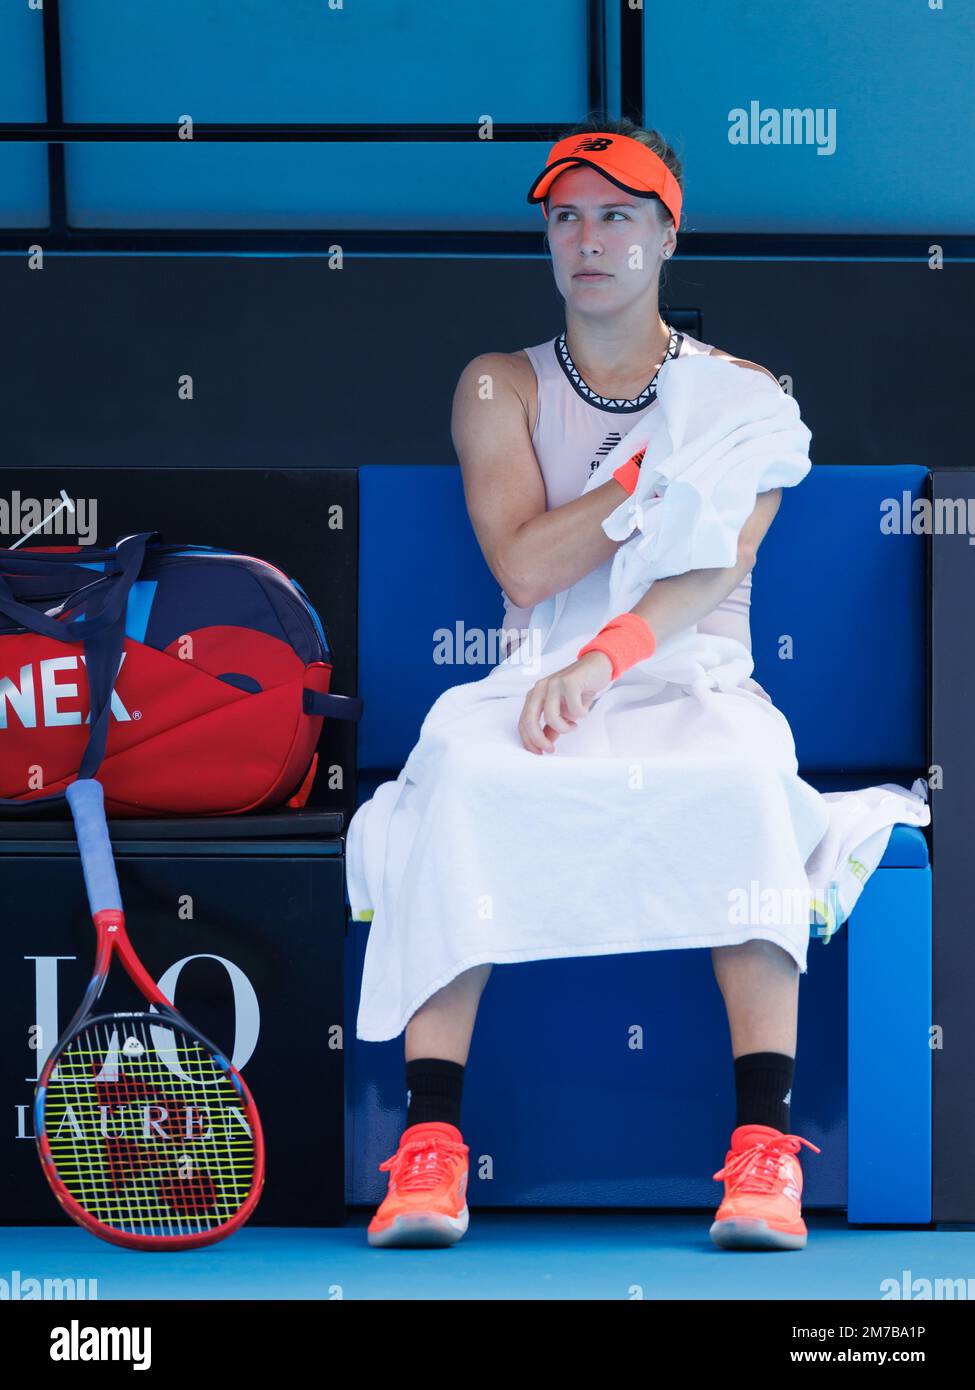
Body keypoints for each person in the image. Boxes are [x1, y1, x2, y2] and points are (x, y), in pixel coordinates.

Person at [362, 115, 824, 1252]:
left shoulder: (744, 395)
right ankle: (430, 1150)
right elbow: (522, 561)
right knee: (458, 775)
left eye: (618, 215)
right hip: (528, 686)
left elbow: (721, 557)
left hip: (695, 678)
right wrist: (644, 480)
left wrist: (610, 650)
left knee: (753, 781)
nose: (588, 238)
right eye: (566, 216)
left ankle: (765, 1152)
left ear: (669, 234)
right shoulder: (496, 386)